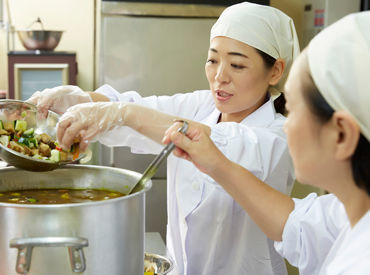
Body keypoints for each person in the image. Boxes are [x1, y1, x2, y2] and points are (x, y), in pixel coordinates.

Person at [27, 3, 300, 274]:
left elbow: (212, 142)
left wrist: (120, 113)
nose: (219, 76)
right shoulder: (203, 106)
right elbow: (142, 108)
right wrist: (79, 100)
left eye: (237, 65)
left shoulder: (279, 137)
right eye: (213, 59)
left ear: (275, 70)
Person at [163, 11, 370, 274]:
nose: (285, 125)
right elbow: (292, 223)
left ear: (341, 134)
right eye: (213, 59)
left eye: (293, 111)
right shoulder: (342, 212)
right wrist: (216, 163)